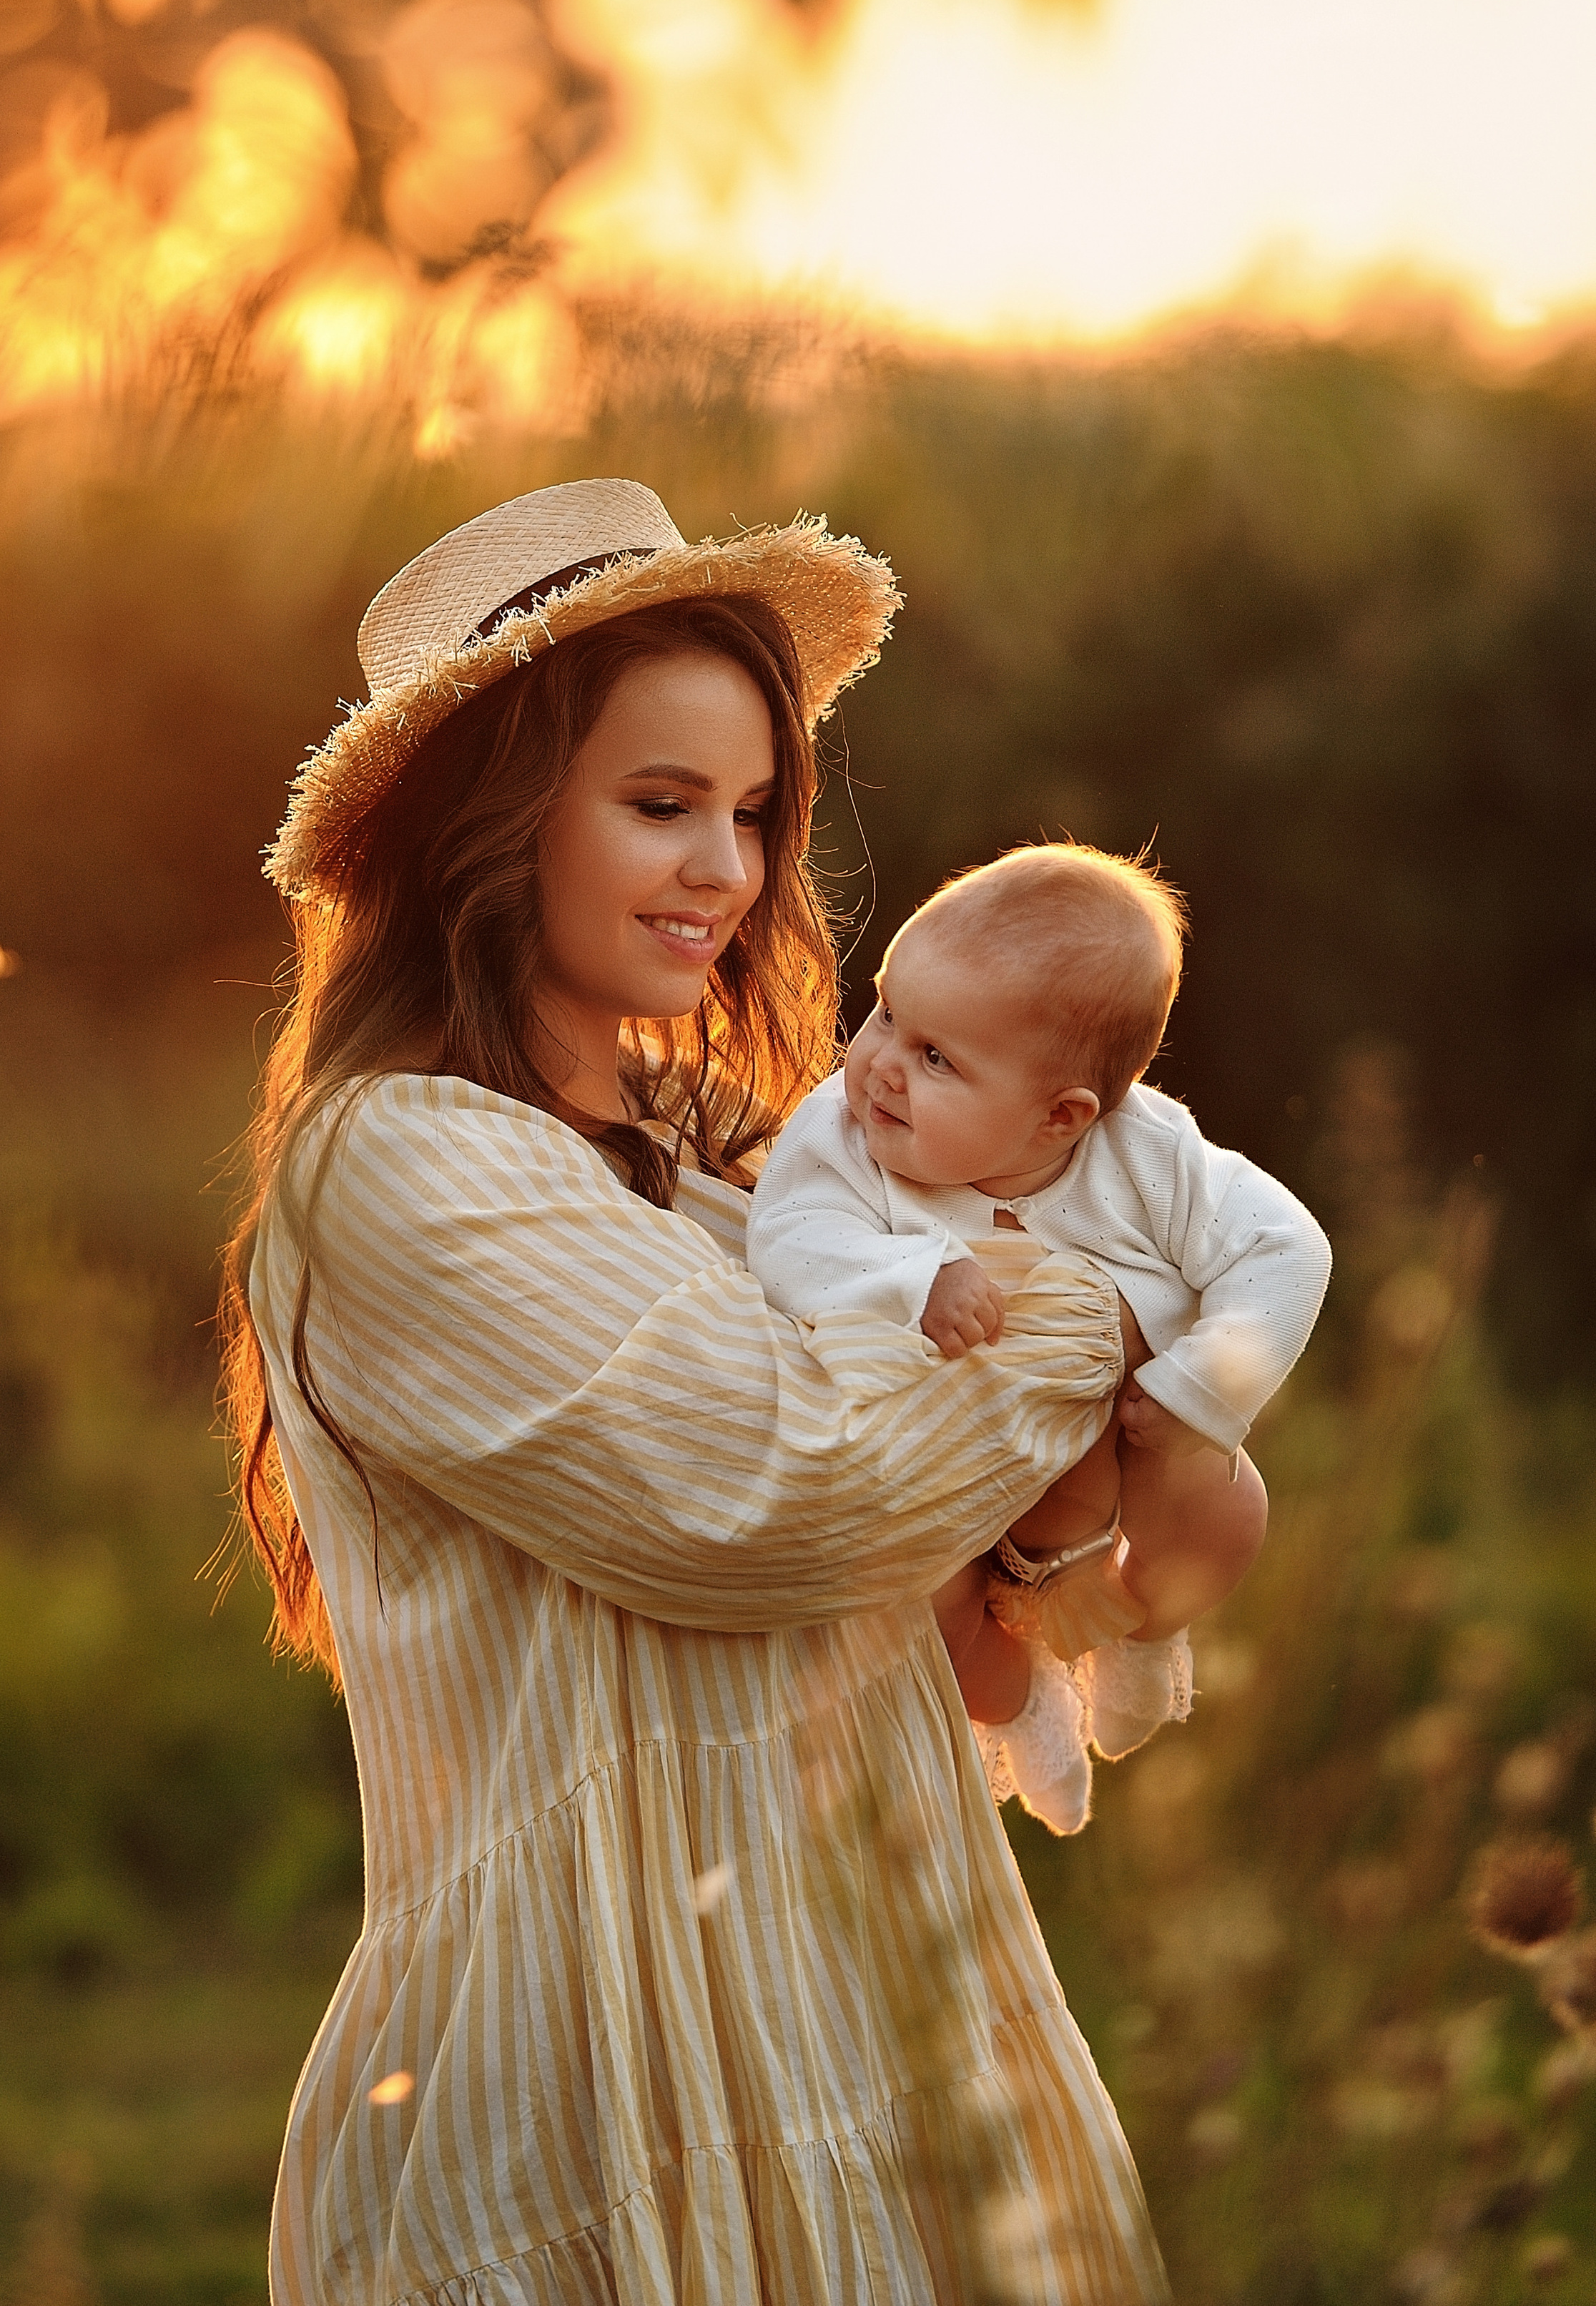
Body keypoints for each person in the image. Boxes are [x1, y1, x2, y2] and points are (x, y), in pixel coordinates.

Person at [220, 478, 1169, 2306]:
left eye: (748, 812)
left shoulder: (712, 1154)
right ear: (487, 821)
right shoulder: (400, 1163)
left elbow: (943, 1528)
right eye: (659, 805)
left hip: (843, 2029)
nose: (725, 872)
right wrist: (1088, 1321)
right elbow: (786, 1492)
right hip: (591, 2097)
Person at [746, 846, 1333, 1835]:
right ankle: (1028, 1715)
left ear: (1061, 1117)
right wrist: (913, 1277)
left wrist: (1201, 1392)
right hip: (961, 1494)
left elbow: (1287, 1248)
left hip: (1124, 1456)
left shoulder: (1148, 1157)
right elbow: (788, 1236)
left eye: (937, 1058)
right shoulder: (842, 1137)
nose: (881, 1064)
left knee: (1228, 1514)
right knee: (920, 1613)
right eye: (884, 1012)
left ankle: (1144, 1633)